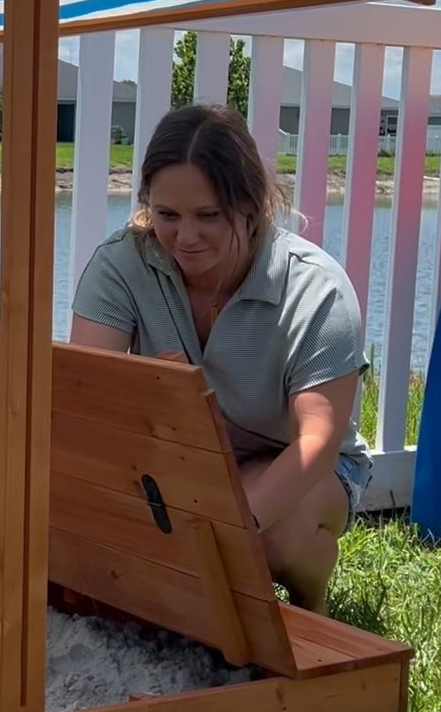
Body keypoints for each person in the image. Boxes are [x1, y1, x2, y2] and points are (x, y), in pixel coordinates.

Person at [71, 102, 372, 614]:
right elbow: (85, 403)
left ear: (252, 206)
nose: (185, 237)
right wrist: (144, 391)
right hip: (180, 454)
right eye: (166, 215)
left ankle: (310, 597)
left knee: (268, 535)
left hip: (297, 462)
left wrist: (231, 533)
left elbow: (317, 444)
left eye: (208, 216)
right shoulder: (120, 264)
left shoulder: (316, 288)